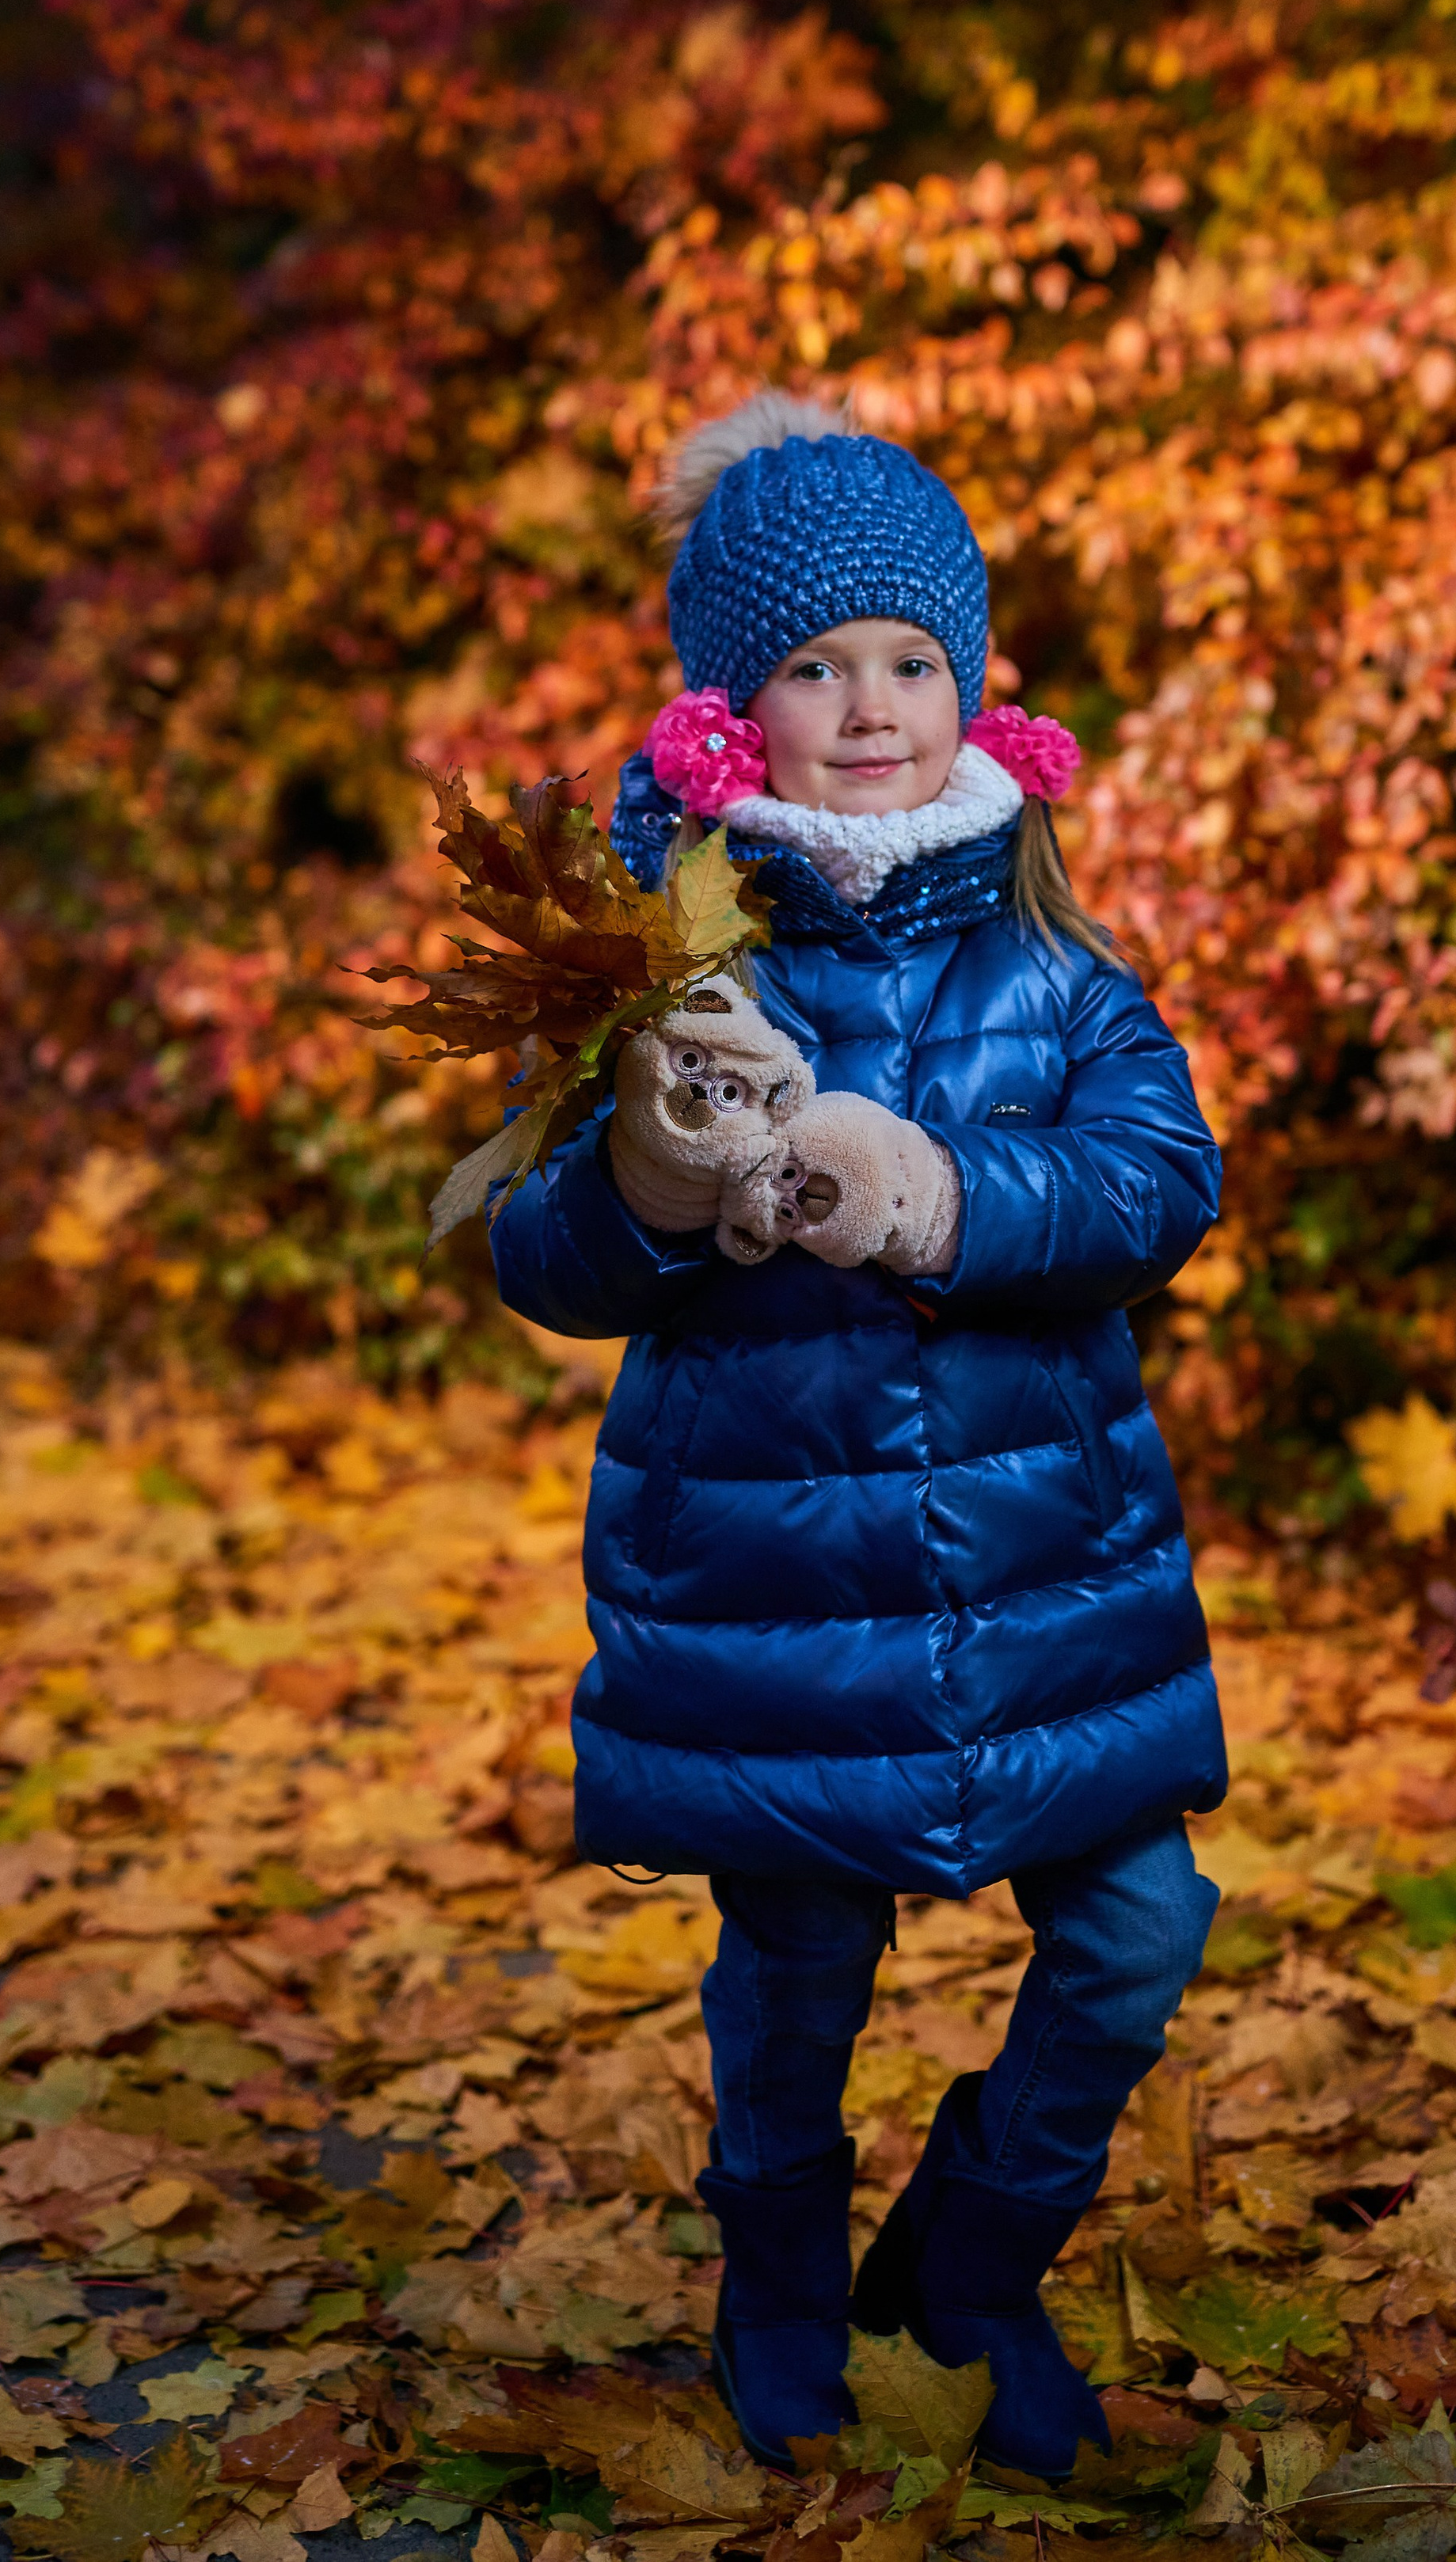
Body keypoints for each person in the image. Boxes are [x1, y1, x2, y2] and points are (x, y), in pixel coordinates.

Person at [492, 393, 1227, 2480]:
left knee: (1140, 1919)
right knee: (796, 1967)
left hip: (1042, 1576)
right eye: (815, 668)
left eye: (911, 659)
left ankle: (969, 2269)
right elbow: (545, 1253)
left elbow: (1163, 1182)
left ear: (973, 682)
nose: (874, 706)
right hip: (771, 1589)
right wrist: (645, 1169)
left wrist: (942, 1197)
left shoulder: (1055, 962)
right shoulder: (669, 959)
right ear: (733, 710)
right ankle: (784, 2296)